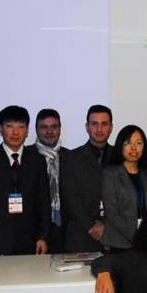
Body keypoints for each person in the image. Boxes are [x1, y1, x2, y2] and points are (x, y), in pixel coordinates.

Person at [0, 105, 50, 256]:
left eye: (21, 126)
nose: (15, 132)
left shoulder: (37, 160)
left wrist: (43, 237)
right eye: (9, 126)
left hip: (30, 241)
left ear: (27, 131)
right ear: (0, 129)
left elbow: (43, 203)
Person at [60, 105, 113, 252]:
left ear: (111, 127)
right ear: (87, 127)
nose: (99, 129)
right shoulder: (70, 158)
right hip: (81, 235)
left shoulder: (120, 157)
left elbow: (125, 198)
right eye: (94, 124)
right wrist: (91, 225)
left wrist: (107, 225)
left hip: (115, 235)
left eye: (104, 124)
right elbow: (70, 198)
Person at [102, 125, 147, 252]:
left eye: (138, 143)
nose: (134, 148)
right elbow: (112, 213)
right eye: (128, 143)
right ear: (120, 146)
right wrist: (137, 237)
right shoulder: (110, 174)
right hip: (119, 243)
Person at [28, 108, 69, 253]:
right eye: (44, 127)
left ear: (60, 129)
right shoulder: (25, 157)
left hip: (64, 230)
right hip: (33, 230)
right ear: (36, 130)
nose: (49, 131)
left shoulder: (71, 157)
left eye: (54, 127)